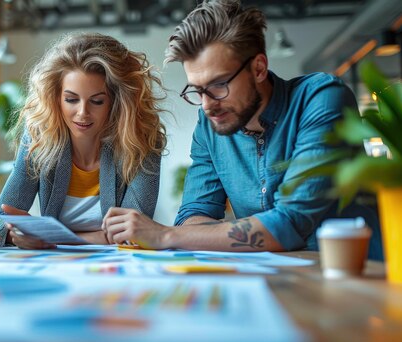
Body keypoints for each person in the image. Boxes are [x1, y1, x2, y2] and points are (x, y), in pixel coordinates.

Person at [102, 0, 365, 252]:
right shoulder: (209, 124)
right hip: (274, 279)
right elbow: (195, 213)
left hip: (355, 280)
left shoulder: (321, 98)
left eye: (219, 85)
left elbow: (291, 222)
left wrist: (164, 235)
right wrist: (191, 232)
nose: (206, 105)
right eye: (197, 90)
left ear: (259, 68)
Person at [0, 32, 167, 248]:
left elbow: (133, 235)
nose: (82, 113)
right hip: (56, 269)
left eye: (97, 101)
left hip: (117, 272)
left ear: (117, 102)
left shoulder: (142, 141)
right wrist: (15, 234)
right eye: (71, 99)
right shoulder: (39, 138)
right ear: (55, 98)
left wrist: (51, 238)